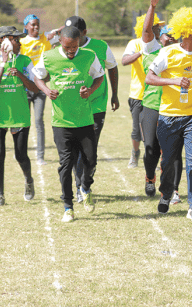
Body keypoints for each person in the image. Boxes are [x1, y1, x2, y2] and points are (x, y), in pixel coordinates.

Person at [145, 7, 192, 222]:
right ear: (190, 35)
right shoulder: (168, 52)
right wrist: (173, 81)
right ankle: (166, 194)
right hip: (169, 117)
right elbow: (150, 78)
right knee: (169, 162)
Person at [32, 26, 105, 222]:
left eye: (74, 46)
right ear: (60, 42)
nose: (71, 50)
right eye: (67, 47)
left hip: (84, 119)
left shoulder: (89, 55)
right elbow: (37, 76)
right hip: (61, 121)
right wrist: (47, 91)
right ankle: (68, 207)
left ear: (80, 40)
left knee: (91, 161)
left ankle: (86, 187)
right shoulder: (49, 57)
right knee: (66, 165)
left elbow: (99, 76)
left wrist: (89, 90)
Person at [64, 16, 119, 202]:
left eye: (76, 34)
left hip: (96, 104)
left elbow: (112, 68)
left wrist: (115, 94)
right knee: (75, 148)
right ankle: (79, 186)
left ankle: (83, 184)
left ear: (85, 33)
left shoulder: (101, 47)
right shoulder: (65, 47)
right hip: (74, 105)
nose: (71, 37)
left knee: (89, 148)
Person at [0, 26, 38, 207]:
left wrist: (21, 75)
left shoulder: (25, 61)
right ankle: (0, 195)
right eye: (16, 39)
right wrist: (3, 64)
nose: (20, 42)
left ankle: (29, 180)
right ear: (5, 41)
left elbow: (34, 88)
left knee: (20, 155)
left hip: (19, 115)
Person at [122, 0, 166, 168]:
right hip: (138, 94)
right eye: (156, 27)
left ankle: (155, 157)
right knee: (136, 130)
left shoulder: (161, 46)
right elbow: (124, 61)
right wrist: (141, 52)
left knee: (154, 131)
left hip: (156, 95)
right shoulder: (135, 43)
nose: (159, 30)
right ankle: (135, 153)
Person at [141, 24, 183, 201]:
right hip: (151, 106)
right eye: (168, 35)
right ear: (160, 37)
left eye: (175, 35)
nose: (172, 38)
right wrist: (152, 6)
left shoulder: (181, 57)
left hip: (175, 107)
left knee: (174, 152)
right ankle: (150, 176)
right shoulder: (151, 53)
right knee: (151, 149)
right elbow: (146, 31)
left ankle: (173, 189)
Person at [19, 14, 61, 165]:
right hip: (25, 87)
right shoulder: (21, 42)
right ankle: (21, 153)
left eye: (38, 24)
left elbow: (66, 28)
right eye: (32, 25)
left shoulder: (46, 39)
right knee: (23, 122)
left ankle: (40, 156)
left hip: (40, 86)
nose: (36, 27)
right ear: (26, 27)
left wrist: (54, 32)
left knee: (38, 121)